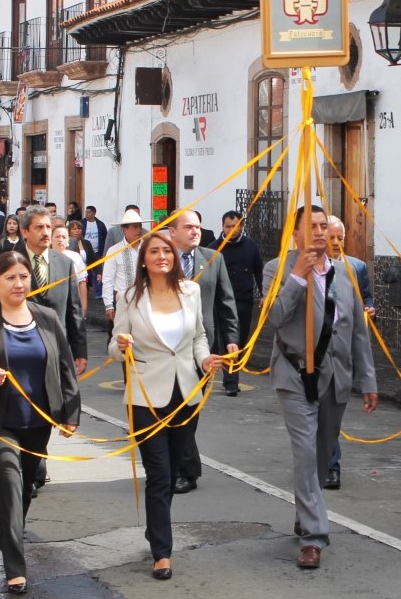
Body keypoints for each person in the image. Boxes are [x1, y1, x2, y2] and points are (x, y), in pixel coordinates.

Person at [0, 251, 80, 594]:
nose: (18, 283)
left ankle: (11, 533)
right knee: (9, 484)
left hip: (37, 422)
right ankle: (15, 566)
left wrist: (70, 413)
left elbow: (65, 368)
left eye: (23, 276)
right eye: (10, 277)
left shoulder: (48, 318)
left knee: (24, 489)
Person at [264, 205, 378, 569]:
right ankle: (314, 537)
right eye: (310, 226)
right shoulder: (277, 270)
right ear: (294, 234)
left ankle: (304, 510)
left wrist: (368, 378)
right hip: (294, 374)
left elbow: (357, 330)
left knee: (322, 451)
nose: (318, 232)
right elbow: (275, 318)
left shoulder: (346, 274)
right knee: (305, 453)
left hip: (336, 375)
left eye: (322, 225)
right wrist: (297, 277)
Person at [110, 232, 222, 580]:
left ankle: (155, 531)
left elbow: (199, 336)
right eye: (154, 251)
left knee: (172, 472)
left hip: (186, 394)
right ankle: (162, 552)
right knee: (159, 475)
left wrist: (204, 361)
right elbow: (114, 347)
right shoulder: (129, 297)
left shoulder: (190, 291)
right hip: (145, 397)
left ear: (174, 257)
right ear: (144, 259)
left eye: (166, 251)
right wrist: (122, 345)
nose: (161, 256)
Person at [167, 209, 239, 494]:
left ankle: (186, 468)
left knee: (189, 409)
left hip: (201, 349)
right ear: (172, 231)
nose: (195, 231)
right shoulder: (162, 258)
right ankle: (182, 466)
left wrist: (231, 338)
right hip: (167, 347)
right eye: (188, 227)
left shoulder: (214, 258)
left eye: (198, 226)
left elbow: (226, 301)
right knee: (171, 409)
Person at [322, 215, 374, 490]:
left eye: (339, 238)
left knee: (332, 417)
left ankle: (329, 463)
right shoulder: (305, 268)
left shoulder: (356, 267)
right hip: (314, 358)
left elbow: (366, 296)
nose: (335, 243)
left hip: (342, 355)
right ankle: (326, 464)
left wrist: (368, 308)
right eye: (330, 237)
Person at [19, 206, 88, 376]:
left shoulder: (65, 263)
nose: (45, 232)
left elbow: (75, 310)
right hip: (22, 347)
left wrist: (79, 351)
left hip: (58, 348)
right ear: (25, 232)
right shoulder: (11, 262)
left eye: (48, 227)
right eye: (39, 227)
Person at [210, 211, 263, 397]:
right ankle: (231, 382)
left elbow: (259, 271)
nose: (232, 230)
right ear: (222, 227)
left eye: (236, 226)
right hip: (221, 303)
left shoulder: (251, 246)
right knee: (226, 340)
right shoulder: (214, 248)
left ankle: (232, 375)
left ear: (242, 226)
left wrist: (264, 293)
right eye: (228, 226)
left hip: (243, 300)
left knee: (240, 339)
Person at [101, 209, 146, 321]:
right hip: (122, 300)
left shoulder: (148, 248)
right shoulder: (114, 251)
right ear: (124, 230)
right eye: (134, 227)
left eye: (139, 226)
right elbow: (108, 279)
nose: (139, 230)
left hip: (146, 300)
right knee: (119, 334)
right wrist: (109, 304)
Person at [52, 225, 88, 315]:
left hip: (72, 305)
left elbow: (82, 283)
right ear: (50, 239)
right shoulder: (44, 257)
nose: (60, 240)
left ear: (68, 240)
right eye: (57, 237)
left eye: (64, 237)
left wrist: (84, 308)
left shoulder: (75, 257)